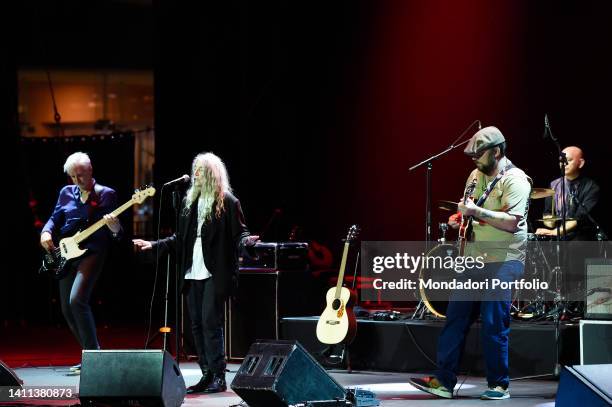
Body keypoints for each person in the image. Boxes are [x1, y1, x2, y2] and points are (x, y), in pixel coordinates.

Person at [409, 126, 532, 400]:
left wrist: (475, 212)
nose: (474, 159)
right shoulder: (475, 175)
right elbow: (469, 206)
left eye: (479, 154)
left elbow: (512, 222)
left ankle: (499, 385)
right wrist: (461, 219)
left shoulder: (516, 180)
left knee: (492, 322)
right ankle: (444, 382)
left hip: (504, 260)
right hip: (474, 260)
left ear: (497, 151)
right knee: (455, 319)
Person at [133, 152, 258, 394]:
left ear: (212, 173)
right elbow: (179, 239)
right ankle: (206, 373)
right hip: (192, 270)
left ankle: (219, 376)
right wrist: (154, 245)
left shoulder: (228, 201)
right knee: (197, 326)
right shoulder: (188, 202)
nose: (196, 174)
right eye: (195, 169)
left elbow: (239, 234)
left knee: (211, 322)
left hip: (215, 272)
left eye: (201, 170)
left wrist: (248, 243)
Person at [40, 152, 121, 373]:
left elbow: (117, 233)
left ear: (90, 170)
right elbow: (55, 218)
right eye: (73, 177)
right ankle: (90, 356)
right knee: (66, 308)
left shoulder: (106, 194)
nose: (77, 181)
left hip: (92, 252)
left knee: (77, 300)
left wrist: (114, 227)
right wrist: (46, 232)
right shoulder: (66, 193)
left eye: (81, 176)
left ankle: (94, 356)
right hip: (67, 252)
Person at [535, 146, 600, 241]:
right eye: (561, 161)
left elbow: (579, 219)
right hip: (560, 234)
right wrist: (550, 222)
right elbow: (548, 212)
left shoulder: (591, 187)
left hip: (581, 237)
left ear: (581, 163)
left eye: (568, 160)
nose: (563, 164)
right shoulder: (554, 185)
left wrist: (554, 232)